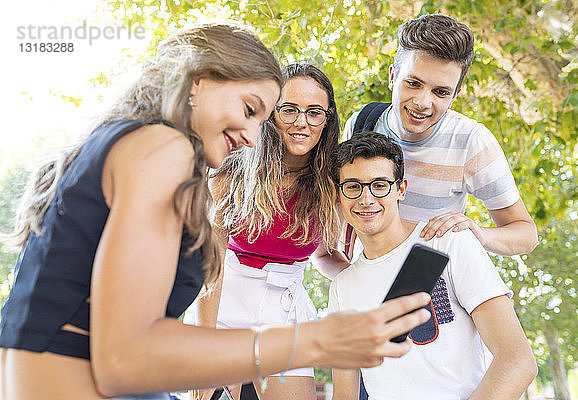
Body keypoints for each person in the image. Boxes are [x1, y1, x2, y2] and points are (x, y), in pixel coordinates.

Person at [0, 24, 432, 400]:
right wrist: (321, 339)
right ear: (197, 81)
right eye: (250, 109)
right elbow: (124, 357)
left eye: (260, 120)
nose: (251, 135)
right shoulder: (163, 148)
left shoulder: (129, 143)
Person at [329, 131, 538, 400]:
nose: (366, 199)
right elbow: (345, 395)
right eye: (353, 186)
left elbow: (517, 361)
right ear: (339, 194)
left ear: (400, 189)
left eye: (379, 185)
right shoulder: (341, 288)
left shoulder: (448, 243)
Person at [195, 63, 352, 400]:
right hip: (224, 307)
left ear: (327, 119)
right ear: (270, 113)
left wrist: (361, 278)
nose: (301, 122)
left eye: (314, 112)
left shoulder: (332, 185)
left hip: (285, 311)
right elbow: (211, 264)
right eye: (289, 110)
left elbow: (324, 254)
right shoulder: (230, 172)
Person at [341, 14, 538, 259]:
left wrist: (477, 233)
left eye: (441, 92)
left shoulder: (471, 142)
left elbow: (526, 234)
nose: (423, 102)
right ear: (393, 77)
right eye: (413, 83)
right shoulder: (360, 125)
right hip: (371, 281)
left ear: (455, 95)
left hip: (435, 290)